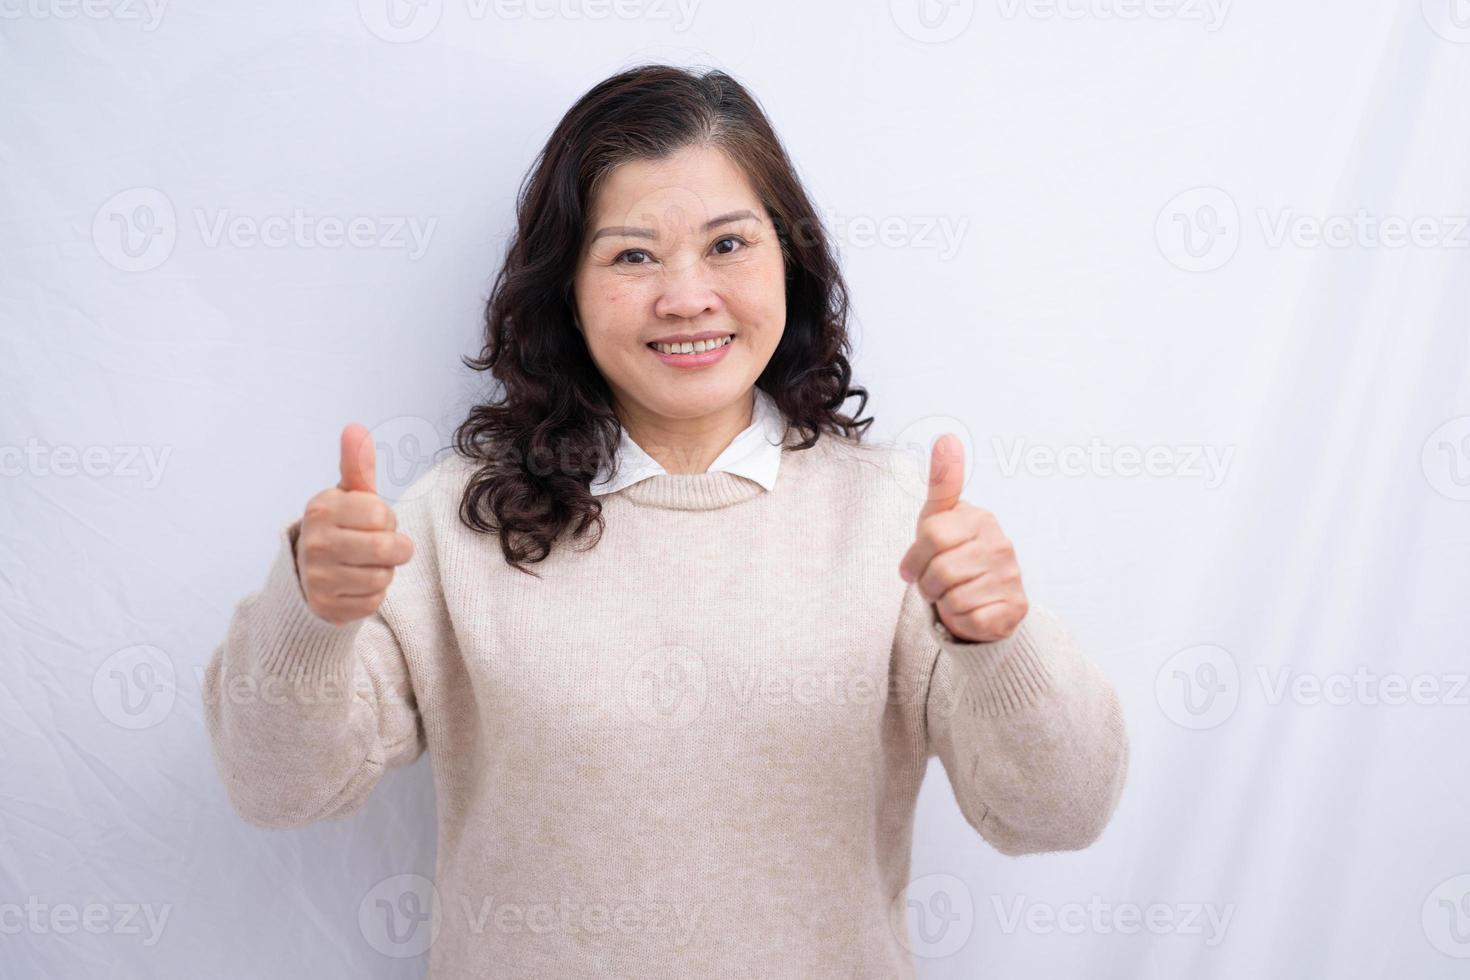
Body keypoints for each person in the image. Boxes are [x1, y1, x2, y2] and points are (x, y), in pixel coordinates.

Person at [202, 63, 1129, 979]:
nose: (686, 297)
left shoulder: (900, 520)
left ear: (789, 262)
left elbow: (1060, 813)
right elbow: (281, 789)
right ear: (566, 287)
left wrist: (999, 640)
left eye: (728, 244)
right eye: (633, 255)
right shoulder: (452, 522)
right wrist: (309, 615)